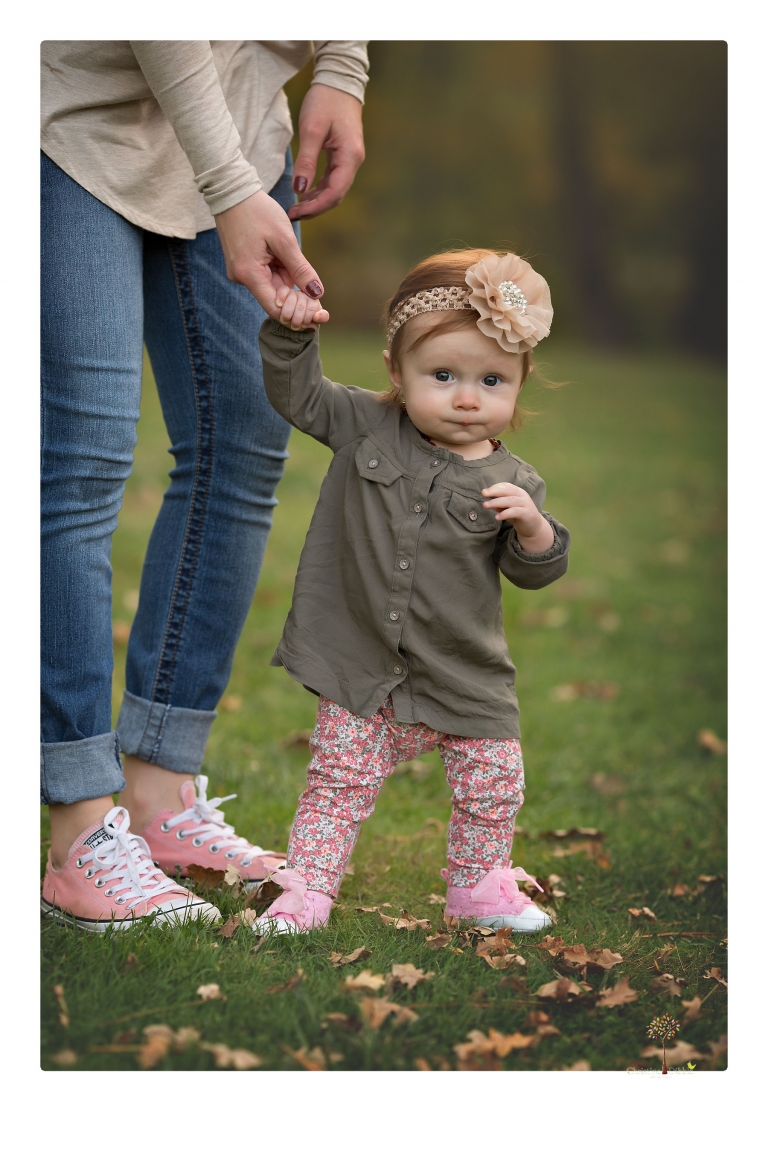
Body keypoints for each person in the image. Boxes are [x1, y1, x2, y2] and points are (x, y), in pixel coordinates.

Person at [40, 40, 369, 929]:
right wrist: (231, 189)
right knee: (81, 462)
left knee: (245, 445)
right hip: (75, 127)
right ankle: (78, 828)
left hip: (233, 129)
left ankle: (157, 794)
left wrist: (342, 65)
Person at [252, 248, 571, 935]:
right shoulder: (365, 425)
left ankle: (479, 887)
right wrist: (291, 332)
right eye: (443, 375)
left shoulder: (516, 483)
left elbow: (532, 571)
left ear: (519, 383)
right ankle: (306, 887)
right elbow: (298, 395)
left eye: (492, 380)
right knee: (340, 780)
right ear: (397, 372)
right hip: (361, 659)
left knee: (493, 778)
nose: (466, 396)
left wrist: (536, 530)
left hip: (462, 668)